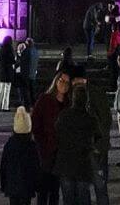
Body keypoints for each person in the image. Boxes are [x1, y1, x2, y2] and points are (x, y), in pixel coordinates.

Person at [54, 78, 97, 205]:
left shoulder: (64, 116)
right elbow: (96, 136)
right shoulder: (90, 119)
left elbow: (57, 133)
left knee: (68, 199)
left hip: (66, 164)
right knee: (83, 198)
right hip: (82, 165)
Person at [31, 72, 71, 205]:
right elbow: (35, 123)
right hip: (46, 151)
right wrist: (41, 143)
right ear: (56, 81)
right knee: (43, 190)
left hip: (61, 153)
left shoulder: (68, 103)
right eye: (61, 80)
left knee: (55, 190)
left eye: (67, 82)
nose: (64, 84)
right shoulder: (45, 99)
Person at [1, 106, 42, 205]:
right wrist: (37, 184)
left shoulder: (9, 144)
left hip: (12, 185)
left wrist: (4, 184)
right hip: (27, 186)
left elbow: (4, 166)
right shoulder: (32, 146)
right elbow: (36, 167)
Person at [0, 35, 17, 112]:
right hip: (8, 71)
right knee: (7, 90)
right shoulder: (9, 49)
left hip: (2, 71)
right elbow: (12, 60)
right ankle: (5, 106)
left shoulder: (1, 49)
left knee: (1, 89)